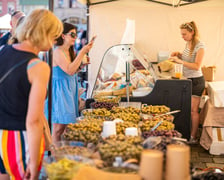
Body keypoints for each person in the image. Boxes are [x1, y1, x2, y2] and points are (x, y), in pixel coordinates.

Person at [0, 9, 63, 180]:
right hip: (20, 137)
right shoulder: (38, 66)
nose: (53, 43)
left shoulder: (3, 51)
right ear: (44, 33)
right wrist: (34, 163)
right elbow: (34, 121)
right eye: (53, 36)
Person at [45, 22, 93, 143]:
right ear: (63, 36)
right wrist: (82, 52)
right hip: (60, 91)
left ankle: (65, 153)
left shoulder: (69, 51)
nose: (75, 37)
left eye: (75, 35)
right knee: (58, 128)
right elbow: (69, 70)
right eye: (72, 34)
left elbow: (72, 70)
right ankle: (56, 156)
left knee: (67, 127)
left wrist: (81, 65)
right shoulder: (57, 52)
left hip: (69, 89)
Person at [170, 21, 205, 143]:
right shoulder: (188, 43)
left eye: (184, 34)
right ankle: (187, 131)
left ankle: (193, 137)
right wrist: (179, 55)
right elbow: (187, 59)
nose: (182, 37)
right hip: (188, 80)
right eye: (181, 34)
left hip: (196, 81)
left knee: (193, 110)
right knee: (187, 108)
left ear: (192, 32)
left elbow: (196, 66)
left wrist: (180, 62)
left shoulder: (200, 46)